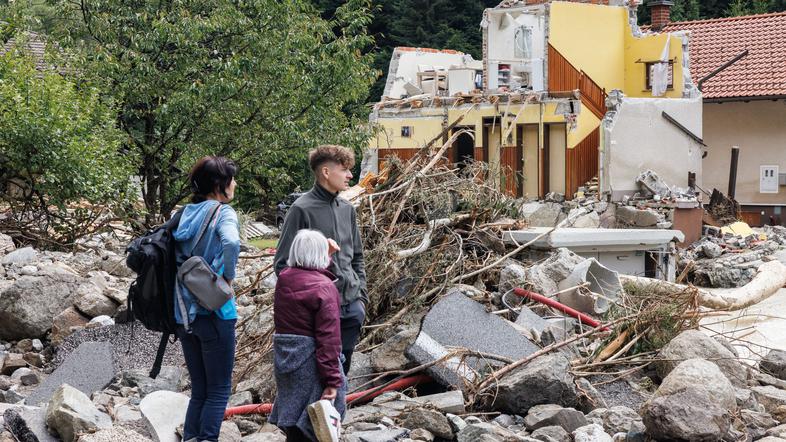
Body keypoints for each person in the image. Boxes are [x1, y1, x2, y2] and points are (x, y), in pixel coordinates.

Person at [274, 145, 367, 375]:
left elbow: (357, 257)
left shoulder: (347, 209)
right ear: (326, 172)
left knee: (341, 376)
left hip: (351, 308)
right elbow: (282, 265)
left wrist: (361, 299)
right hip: (318, 312)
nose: (350, 175)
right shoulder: (300, 209)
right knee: (317, 376)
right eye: (344, 170)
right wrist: (312, 299)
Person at [173, 156, 241, 442]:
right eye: (232, 180)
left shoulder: (184, 214)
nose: (235, 185)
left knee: (199, 390)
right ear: (218, 185)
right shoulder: (223, 213)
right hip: (215, 313)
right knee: (219, 390)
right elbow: (232, 242)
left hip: (183, 314)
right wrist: (228, 276)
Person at [269, 229, 346, 441]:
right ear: (321, 256)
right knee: (316, 426)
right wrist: (332, 382)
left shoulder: (285, 278)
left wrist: (323, 251)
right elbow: (328, 340)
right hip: (310, 364)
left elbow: (308, 270)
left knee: (294, 421)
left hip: (286, 360)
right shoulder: (324, 287)